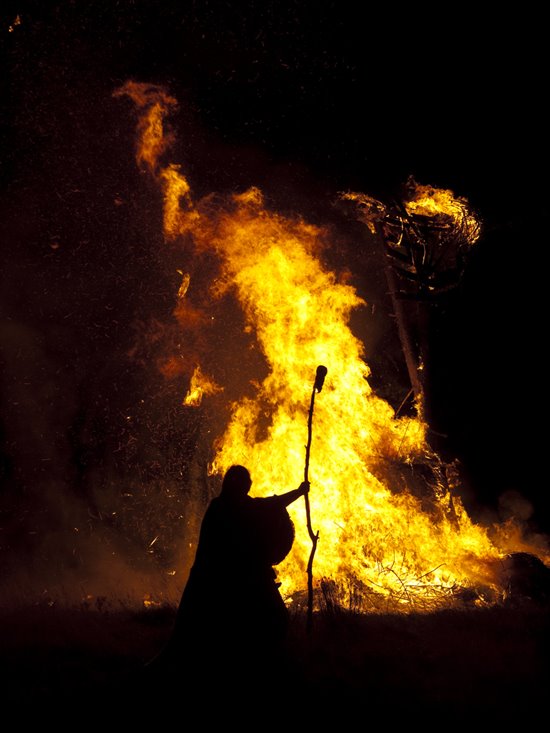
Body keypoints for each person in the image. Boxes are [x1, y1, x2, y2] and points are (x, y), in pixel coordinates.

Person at [169, 465, 309, 681]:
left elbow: (270, 504)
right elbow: (269, 506)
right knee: (269, 619)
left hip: (220, 578)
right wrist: (298, 492)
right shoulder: (226, 508)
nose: (247, 488)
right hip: (221, 579)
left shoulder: (227, 505)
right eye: (244, 484)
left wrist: (298, 492)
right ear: (237, 486)